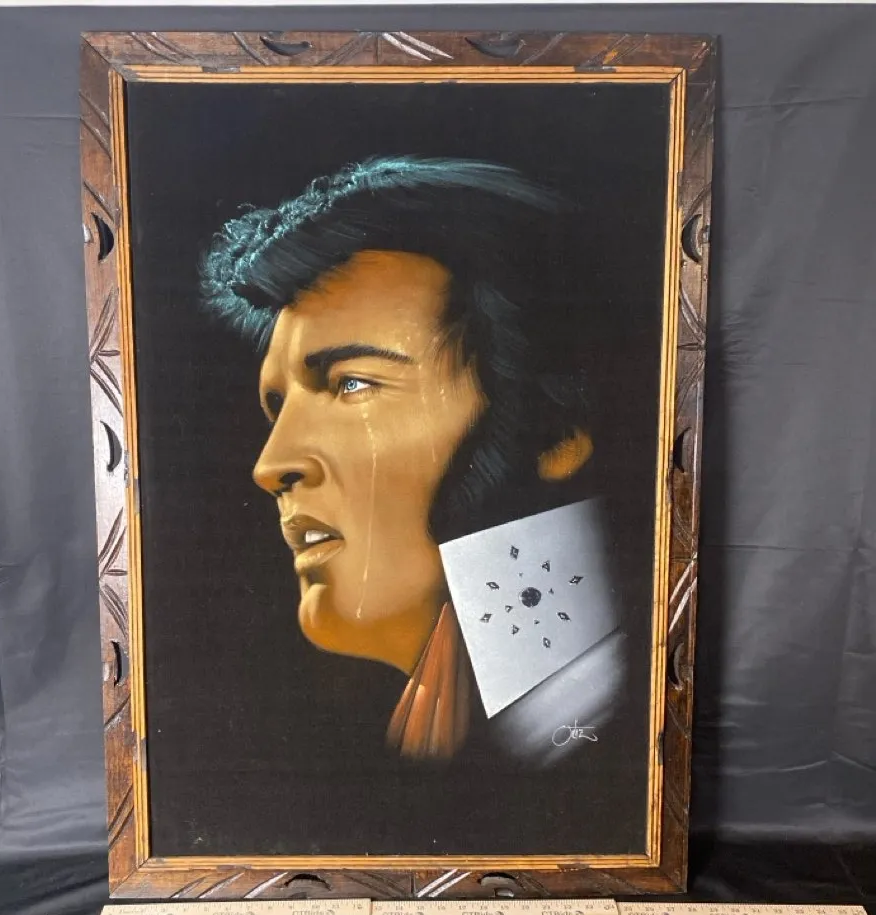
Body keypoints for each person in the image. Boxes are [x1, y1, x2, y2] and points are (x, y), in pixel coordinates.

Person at [201, 157, 622, 764]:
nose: (271, 465)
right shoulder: (449, 728)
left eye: (352, 384)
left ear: (554, 430)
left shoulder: (592, 730)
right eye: (277, 408)